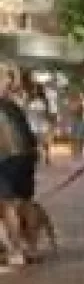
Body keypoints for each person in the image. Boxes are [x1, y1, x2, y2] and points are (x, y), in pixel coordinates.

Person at [0, 63, 39, 266]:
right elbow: (29, 135)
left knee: (8, 206)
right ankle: (31, 248)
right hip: (25, 158)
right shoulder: (14, 106)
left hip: (6, 160)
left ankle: (16, 250)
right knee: (25, 203)